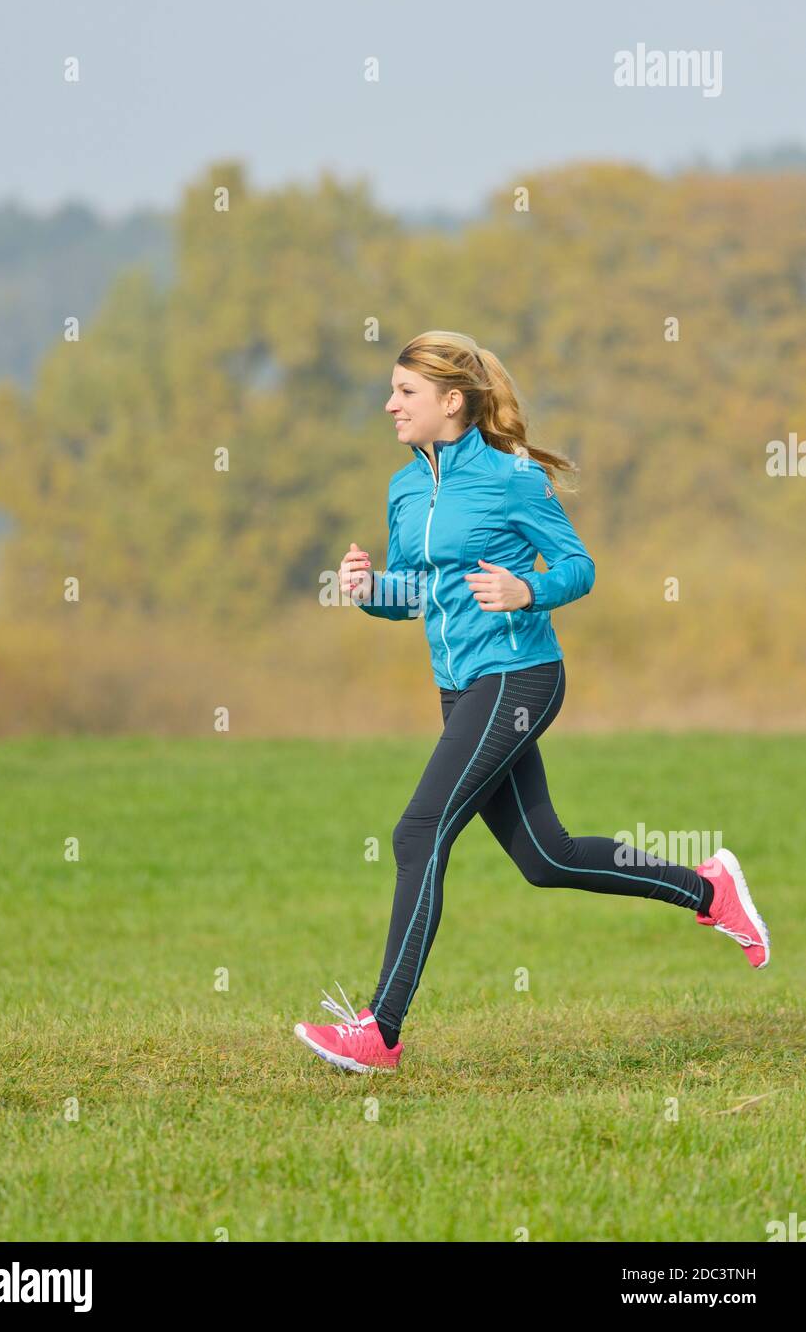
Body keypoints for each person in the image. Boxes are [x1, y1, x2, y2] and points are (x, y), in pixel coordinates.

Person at [294, 330, 770, 1074]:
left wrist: (527, 590)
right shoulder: (406, 487)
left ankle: (379, 1030)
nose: (389, 404)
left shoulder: (512, 478)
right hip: (461, 690)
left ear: (451, 402)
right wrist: (366, 592)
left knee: (418, 832)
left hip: (519, 679)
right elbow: (418, 594)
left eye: (405, 393)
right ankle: (704, 889)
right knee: (544, 856)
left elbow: (577, 567)